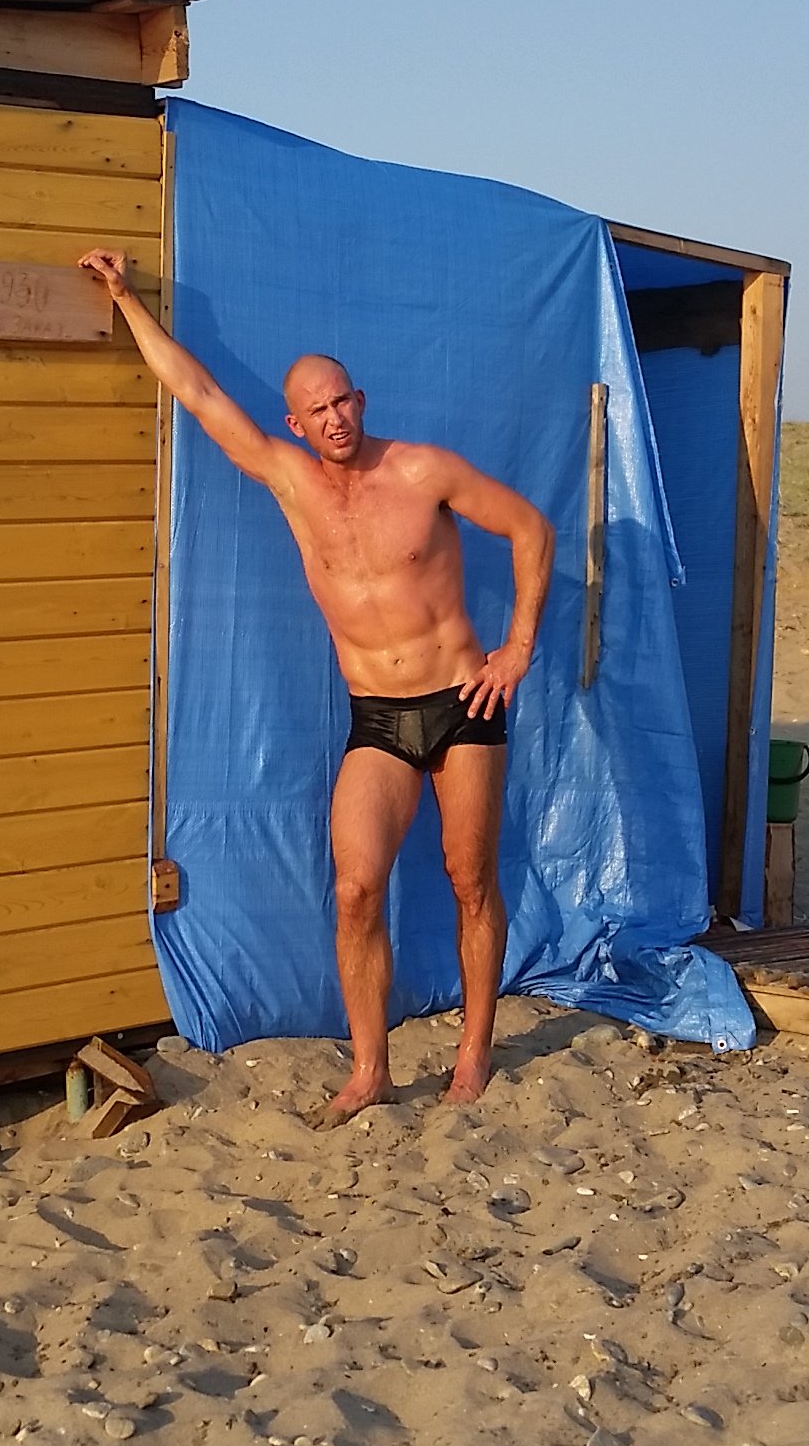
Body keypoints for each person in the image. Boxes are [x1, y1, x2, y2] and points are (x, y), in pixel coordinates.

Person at [78, 248, 554, 1125]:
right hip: (378, 716)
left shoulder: (423, 471)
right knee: (355, 889)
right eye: (317, 410)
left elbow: (531, 528)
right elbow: (199, 394)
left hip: (462, 704)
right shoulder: (290, 481)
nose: (334, 419)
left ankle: (474, 1052)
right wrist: (125, 300)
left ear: (360, 401)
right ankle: (370, 1070)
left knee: (469, 879)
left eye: (343, 401)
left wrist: (517, 649)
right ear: (295, 424)